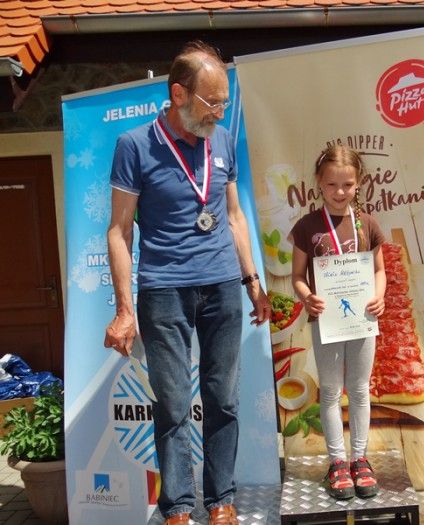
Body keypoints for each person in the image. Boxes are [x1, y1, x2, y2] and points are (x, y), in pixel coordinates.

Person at [103, 41, 271, 525]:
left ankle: (221, 500)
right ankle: (177, 506)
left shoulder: (223, 140)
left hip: (222, 286)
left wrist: (253, 281)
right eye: (211, 102)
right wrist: (124, 310)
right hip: (164, 291)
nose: (219, 112)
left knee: (224, 399)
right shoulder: (134, 145)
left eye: (224, 102)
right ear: (178, 94)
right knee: (173, 402)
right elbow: (119, 230)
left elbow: (234, 216)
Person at [290, 145, 386, 500]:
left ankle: (360, 458)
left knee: (359, 389)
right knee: (330, 391)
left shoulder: (368, 224)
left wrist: (380, 296)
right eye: (332, 184)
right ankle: (337, 463)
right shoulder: (307, 226)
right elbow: (297, 276)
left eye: (347, 184)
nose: (340, 191)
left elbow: (379, 270)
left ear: (358, 184)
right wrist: (307, 296)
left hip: (362, 320)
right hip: (326, 321)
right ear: (319, 182)